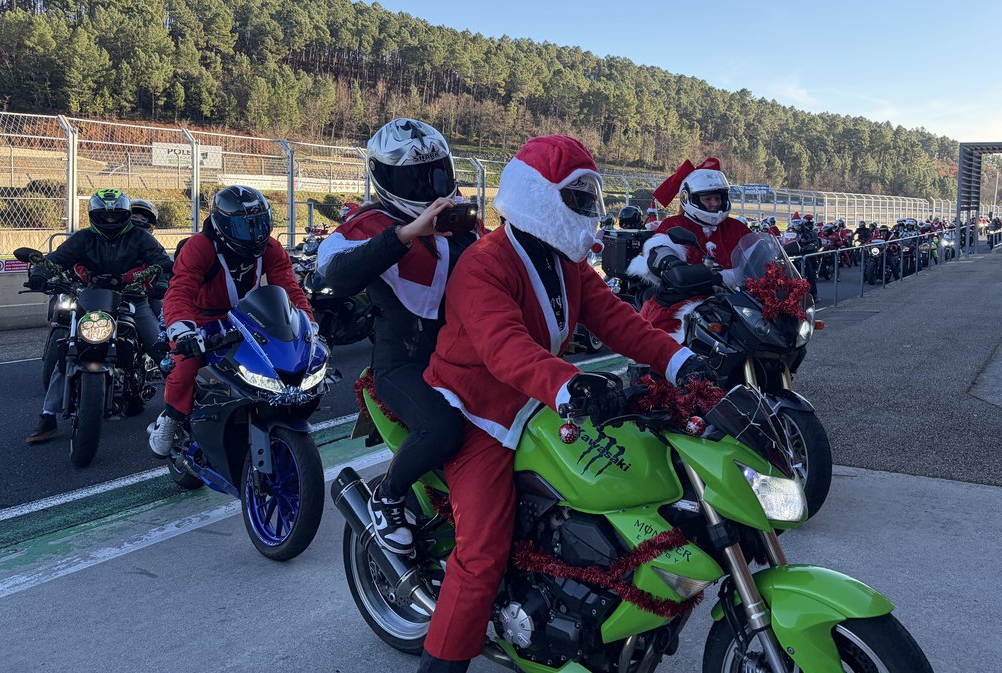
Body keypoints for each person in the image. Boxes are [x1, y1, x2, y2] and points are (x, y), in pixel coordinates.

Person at [417, 134, 714, 673]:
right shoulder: (484, 264)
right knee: (481, 551)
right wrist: (567, 385)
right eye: (577, 197)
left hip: (540, 398)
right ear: (537, 196)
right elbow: (504, 345)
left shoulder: (563, 263)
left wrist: (680, 362)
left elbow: (618, 320)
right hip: (477, 410)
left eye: (589, 197)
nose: (589, 210)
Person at [317, 118, 480, 555]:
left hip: (462, 357)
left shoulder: (462, 220)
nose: (430, 186)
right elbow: (334, 274)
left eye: (437, 173)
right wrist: (407, 234)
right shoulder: (368, 224)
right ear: (387, 178)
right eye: (416, 177)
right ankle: (387, 497)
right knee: (444, 428)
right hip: (403, 363)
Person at [148, 186, 312, 458]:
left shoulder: (271, 248)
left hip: (247, 315)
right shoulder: (198, 247)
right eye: (242, 226)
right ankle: (171, 419)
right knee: (186, 366)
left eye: (258, 223)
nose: (253, 233)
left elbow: (290, 287)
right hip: (201, 317)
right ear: (222, 224)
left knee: (280, 358)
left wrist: (307, 322)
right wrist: (183, 330)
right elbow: (179, 291)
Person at [26, 189, 172, 444]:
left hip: (133, 298)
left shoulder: (140, 237)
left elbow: (164, 262)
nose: (109, 221)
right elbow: (56, 259)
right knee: (70, 351)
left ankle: (183, 411)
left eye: (116, 215)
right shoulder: (82, 238)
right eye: (103, 216)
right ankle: (47, 417)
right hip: (92, 298)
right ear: (93, 215)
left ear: (126, 215)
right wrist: (39, 273)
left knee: (160, 347)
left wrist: (161, 281)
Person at [627, 158, 751, 339]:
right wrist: (669, 263)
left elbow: (757, 252)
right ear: (688, 198)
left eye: (718, 197)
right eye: (708, 198)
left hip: (735, 301)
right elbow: (660, 249)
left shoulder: (736, 227)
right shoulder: (675, 223)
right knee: (665, 343)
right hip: (684, 299)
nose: (715, 203)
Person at [130, 199, 167, 325]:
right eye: (134, 217)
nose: (138, 220)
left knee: (165, 323)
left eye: (142, 219)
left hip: (145, 295)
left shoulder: (153, 245)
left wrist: (162, 285)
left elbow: (165, 265)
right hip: (110, 294)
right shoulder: (110, 241)